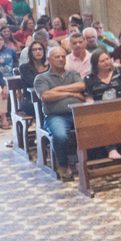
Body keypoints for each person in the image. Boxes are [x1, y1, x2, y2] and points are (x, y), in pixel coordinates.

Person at [33, 46, 84, 179]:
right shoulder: (41, 78)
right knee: (60, 136)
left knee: (96, 128)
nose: (61, 59)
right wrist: (70, 93)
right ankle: (63, 165)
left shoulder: (72, 74)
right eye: (57, 57)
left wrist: (57, 90)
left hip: (78, 113)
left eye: (63, 56)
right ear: (48, 59)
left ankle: (87, 161)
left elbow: (81, 86)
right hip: (56, 116)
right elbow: (46, 95)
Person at [83, 49, 121, 160]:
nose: (107, 62)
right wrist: (95, 107)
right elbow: (88, 97)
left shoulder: (119, 72)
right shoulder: (89, 79)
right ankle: (111, 149)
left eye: (108, 59)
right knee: (104, 119)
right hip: (102, 110)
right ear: (95, 64)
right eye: (102, 61)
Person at [17, 40, 49, 119]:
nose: (38, 51)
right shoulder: (24, 68)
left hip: (48, 96)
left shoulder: (49, 66)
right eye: (34, 50)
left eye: (40, 49)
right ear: (30, 52)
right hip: (30, 99)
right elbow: (33, 82)